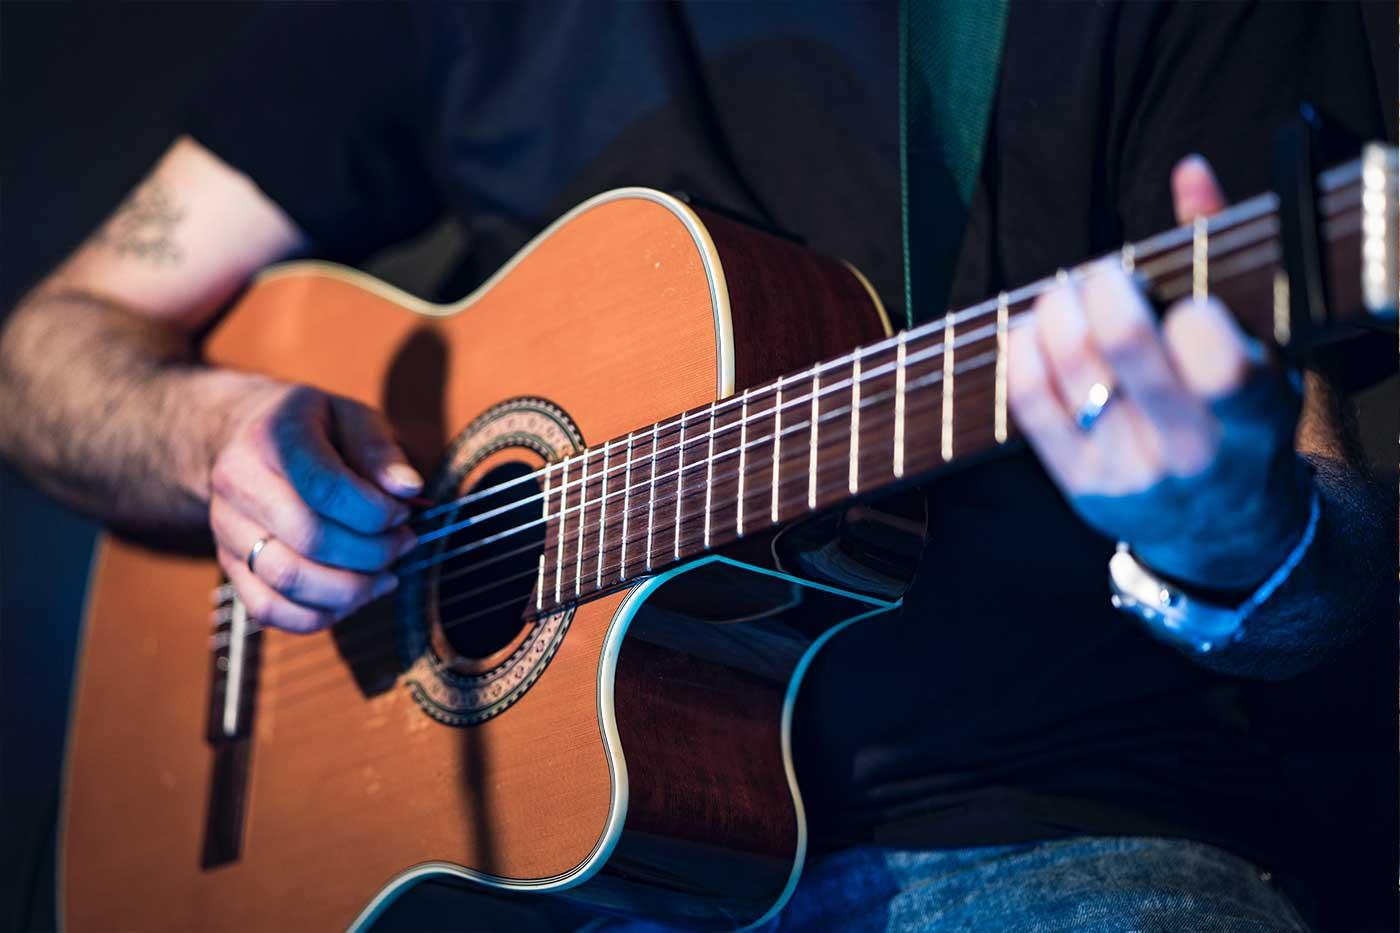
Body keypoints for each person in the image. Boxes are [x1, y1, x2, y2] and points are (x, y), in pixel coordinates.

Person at [0, 2, 1393, 929]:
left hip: (1041, 826)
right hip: (523, 886)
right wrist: (211, 436)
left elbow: (1328, 584)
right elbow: (48, 348)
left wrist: (1229, 533)